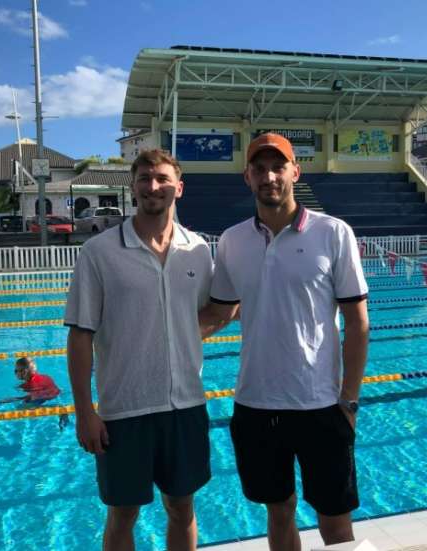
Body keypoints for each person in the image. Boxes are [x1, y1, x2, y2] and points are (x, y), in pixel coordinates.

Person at [199, 133, 370, 550]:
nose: (270, 176)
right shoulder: (233, 240)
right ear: (247, 177)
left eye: (279, 167)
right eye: (260, 169)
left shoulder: (333, 233)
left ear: (296, 171)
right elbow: (221, 312)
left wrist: (349, 400)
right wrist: (158, 335)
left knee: (336, 526)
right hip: (255, 405)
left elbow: (357, 322)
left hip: (321, 405)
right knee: (278, 514)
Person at [65, 149, 213, 551]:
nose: (154, 186)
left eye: (163, 178)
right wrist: (84, 412)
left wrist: (183, 335)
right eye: (145, 178)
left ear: (178, 187)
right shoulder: (100, 252)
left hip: (186, 406)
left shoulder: (197, 250)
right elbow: (80, 336)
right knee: (122, 515)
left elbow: (215, 309)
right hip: (123, 410)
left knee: (182, 507)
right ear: (133, 187)